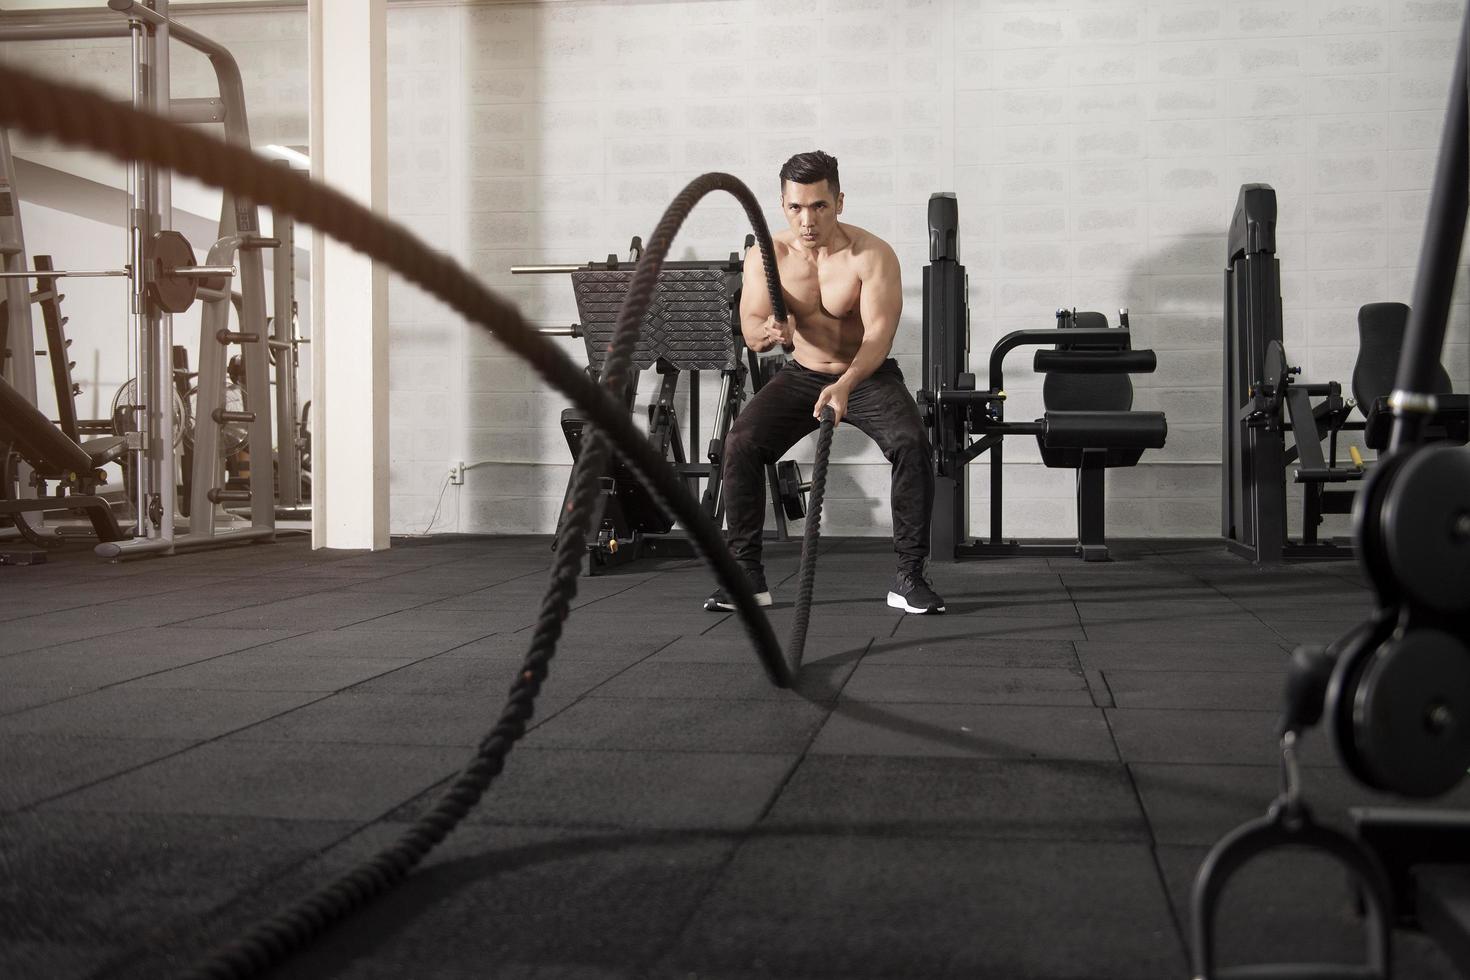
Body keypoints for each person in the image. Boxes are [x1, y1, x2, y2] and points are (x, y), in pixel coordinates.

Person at [705, 150, 945, 615]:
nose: (807, 219)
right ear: (782, 206)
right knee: (742, 442)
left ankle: (909, 578)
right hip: (802, 374)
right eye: (796, 207)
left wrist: (847, 384)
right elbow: (752, 326)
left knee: (911, 443)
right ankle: (747, 578)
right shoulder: (767, 257)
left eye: (818, 205)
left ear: (839, 201)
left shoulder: (871, 254)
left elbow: (878, 335)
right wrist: (769, 335)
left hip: (866, 373)